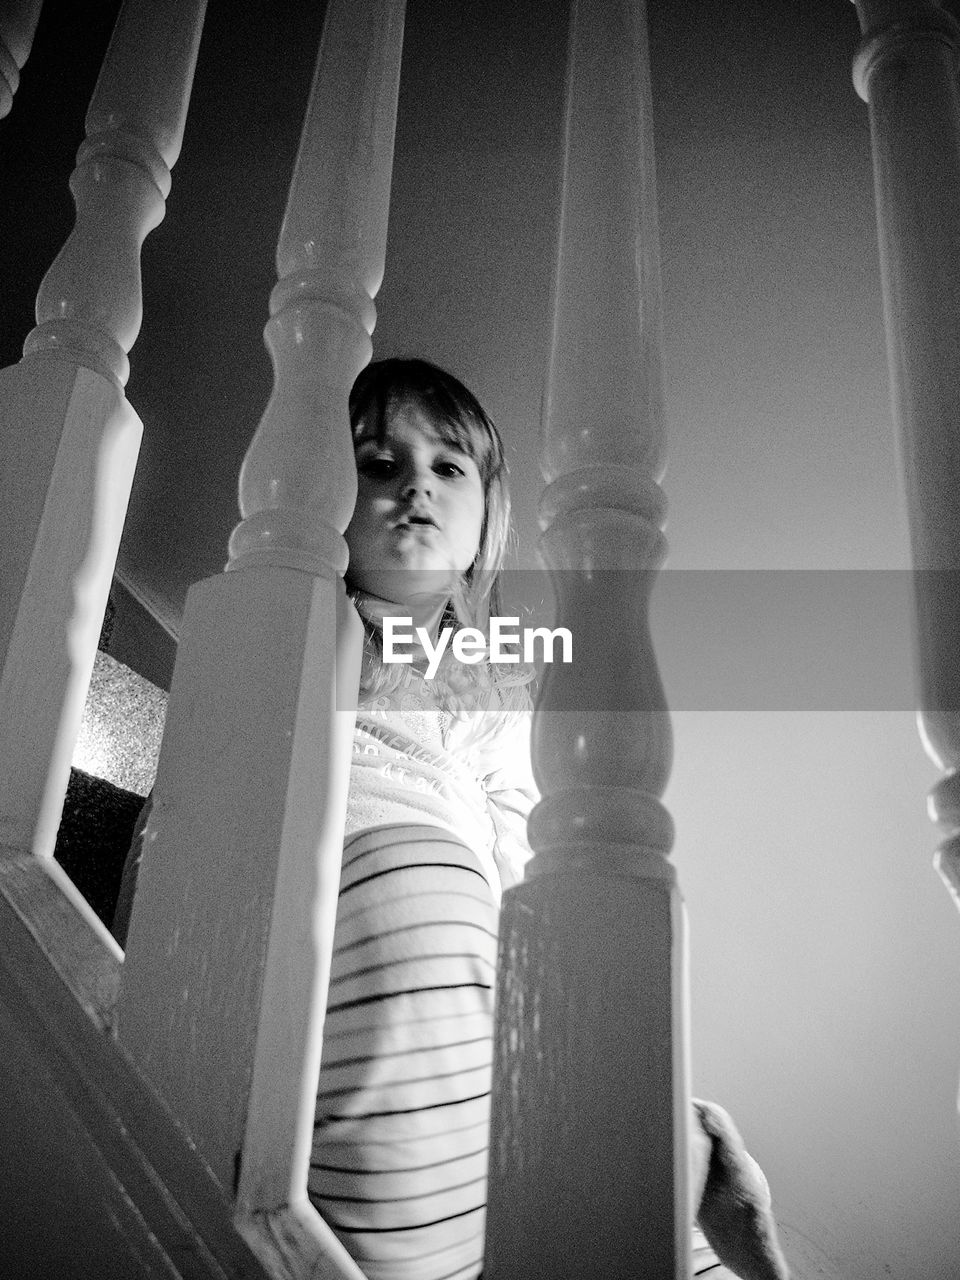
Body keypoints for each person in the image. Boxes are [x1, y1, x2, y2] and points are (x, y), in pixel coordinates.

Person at [113, 356, 788, 1280]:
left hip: (460, 920)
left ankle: (660, 1196)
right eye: (379, 465)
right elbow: (199, 802)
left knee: (586, 1043)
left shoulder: (506, 674)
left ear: (484, 517)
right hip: (340, 880)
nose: (416, 485)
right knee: (423, 887)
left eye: (448, 468)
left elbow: (519, 841)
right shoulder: (296, 614)